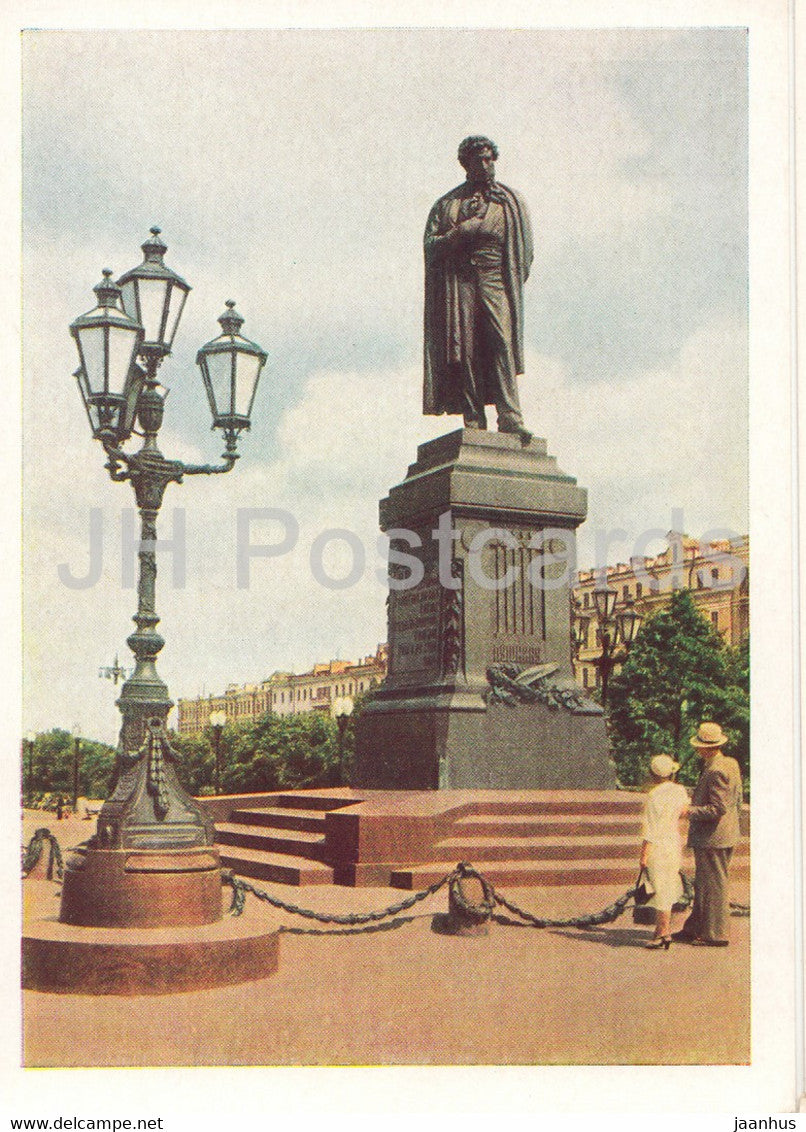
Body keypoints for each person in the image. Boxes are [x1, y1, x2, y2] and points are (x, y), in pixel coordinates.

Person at [423, 135, 534, 442]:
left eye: (490, 159)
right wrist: (458, 234)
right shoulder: (447, 204)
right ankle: (474, 418)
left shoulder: (510, 201)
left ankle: (510, 416)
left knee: (501, 343)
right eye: (478, 160)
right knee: (467, 348)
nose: (486, 165)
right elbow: (430, 247)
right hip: (460, 282)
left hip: (495, 278)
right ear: (466, 164)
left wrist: (506, 278)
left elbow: (525, 253)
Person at [673, 721, 743, 947]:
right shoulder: (729, 763)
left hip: (713, 837)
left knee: (713, 886)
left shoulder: (716, 770)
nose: (696, 750)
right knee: (705, 884)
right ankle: (694, 928)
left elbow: (717, 808)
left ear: (707, 747)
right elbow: (736, 801)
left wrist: (688, 811)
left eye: (699, 746)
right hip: (723, 834)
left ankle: (715, 934)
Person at [639, 754, 690, 949]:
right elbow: (684, 811)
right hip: (673, 842)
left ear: (653, 774)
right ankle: (662, 930)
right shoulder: (679, 790)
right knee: (667, 886)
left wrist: (643, 854)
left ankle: (663, 931)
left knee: (659, 888)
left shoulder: (653, 795)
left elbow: (649, 828)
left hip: (658, 844)